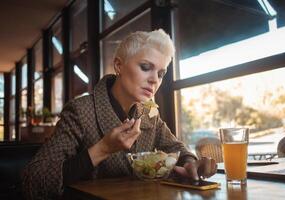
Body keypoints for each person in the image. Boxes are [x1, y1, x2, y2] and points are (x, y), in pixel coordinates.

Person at [22, 29, 217, 199]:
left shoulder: (149, 114)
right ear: (119, 66)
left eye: (160, 73)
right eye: (146, 67)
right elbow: (34, 182)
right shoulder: (80, 111)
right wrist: (104, 148)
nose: (154, 80)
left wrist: (191, 163)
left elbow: (176, 148)